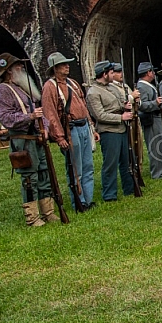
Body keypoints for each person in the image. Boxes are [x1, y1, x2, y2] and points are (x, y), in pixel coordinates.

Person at [0, 53, 60, 226]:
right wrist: (29, 117)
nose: (21, 68)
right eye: (17, 66)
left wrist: (44, 128)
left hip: (36, 138)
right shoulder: (2, 91)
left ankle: (48, 212)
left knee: (44, 173)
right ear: (8, 71)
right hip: (22, 141)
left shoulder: (23, 88)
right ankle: (32, 217)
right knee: (30, 178)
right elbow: (6, 118)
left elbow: (40, 111)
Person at [41, 51, 98, 211]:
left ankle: (88, 199)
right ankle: (78, 202)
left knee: (88, 166)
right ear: (55, 68)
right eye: (63, 64)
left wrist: (91, 127)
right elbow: (50, 114)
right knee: (75, 169)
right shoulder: (50, 87)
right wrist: (59, 137)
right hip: (70, 130)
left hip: (83, 127)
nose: (67, 66)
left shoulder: (72, 83)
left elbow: (83, 106)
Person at [86, 60, 135, 201]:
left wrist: (125, 106)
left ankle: (129, 188)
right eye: (111, 72)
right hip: (109, 131)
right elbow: (100, 115)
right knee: (110, 164)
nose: (114, 75)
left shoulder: (112, 88)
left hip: (122, 129)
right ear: (104, 74)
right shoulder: (93, 93)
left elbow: (120, 102)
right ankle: (109, 194)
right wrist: (121, 117)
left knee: (127, 161)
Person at [136, 62, 162, 179]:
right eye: (152, 71)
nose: (153, 73)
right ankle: (157, 172)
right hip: (151, 119)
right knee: (155, 146)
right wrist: (155, 103)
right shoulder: (142, 87)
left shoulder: (148, 85)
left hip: (158, 117)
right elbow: (141, 105)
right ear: (148, 72)